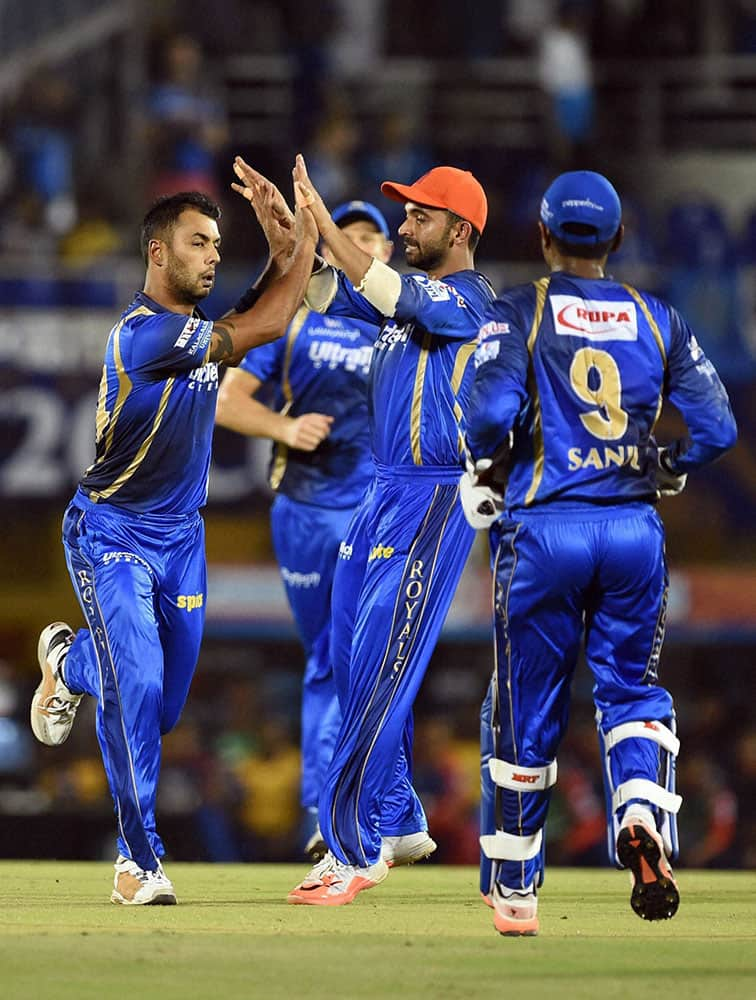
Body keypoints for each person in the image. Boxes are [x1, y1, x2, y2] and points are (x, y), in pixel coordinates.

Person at [29, 161, 318, 905]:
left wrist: (284, 256)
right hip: (111, 532)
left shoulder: (190, 333)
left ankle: (69, 664)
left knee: (158, 710)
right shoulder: (146, 336)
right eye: (199, 241)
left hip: (181, 540)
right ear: (158, 252)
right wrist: (308, 240)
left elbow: (251, 319)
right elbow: (265, 322)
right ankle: (138, 861)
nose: (214, 253)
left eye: (219, 242)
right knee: (142, 682)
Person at [461, 169, 738, 936]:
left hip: (544, 530)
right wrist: (664, 466)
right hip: (631, 529)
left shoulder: (521, 310)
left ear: (543, 236)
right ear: (618, 239)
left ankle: (515, 892)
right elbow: (716, 432)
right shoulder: (660, 319)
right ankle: (642, 811)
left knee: (526, 708)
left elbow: (485, 414)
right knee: (631, 690)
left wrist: (495, 456)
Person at [286, 155, 496, 905]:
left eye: (419, 216)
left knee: (378, 669)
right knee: (351, 662)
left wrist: (323, 221)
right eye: (403, 214)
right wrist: (299, 240)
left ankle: (351, 850)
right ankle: (400, 815)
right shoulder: (403, 302)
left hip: (433, 501)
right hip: (380, 491)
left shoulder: (469, 300)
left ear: (460, 229)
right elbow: (322, 297)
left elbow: (384, 286)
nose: (404, 227)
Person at [215, 198, 394, 861]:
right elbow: (227, 400)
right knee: (329, 662)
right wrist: (286, 428)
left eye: (373, 236)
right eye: (348, 237)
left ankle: (352, 813)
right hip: (306, 513)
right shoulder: (295, 325)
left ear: (388, 253)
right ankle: (332, 818)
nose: (363, 245)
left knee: (364, 664)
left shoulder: (403, 327)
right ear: (327, 251)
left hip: (375, 514)